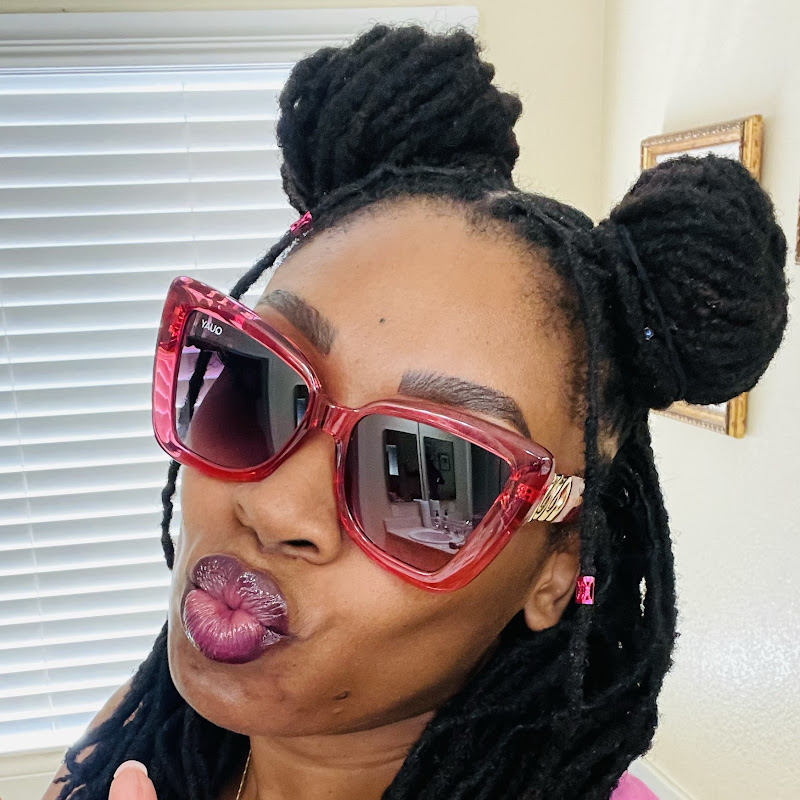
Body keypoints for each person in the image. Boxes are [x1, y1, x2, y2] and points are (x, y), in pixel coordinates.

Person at [47, 23, 788, 800]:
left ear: (558, 569)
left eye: (428, 475)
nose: (274, 507)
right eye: (256, 386)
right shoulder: (132, 738)